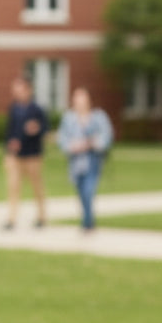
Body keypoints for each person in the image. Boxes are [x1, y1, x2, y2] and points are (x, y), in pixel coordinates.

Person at [57, 87, 113, 231]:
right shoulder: (69, 119)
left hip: (92, 160)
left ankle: (87, 222)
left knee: (89, 190)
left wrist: (91, 143)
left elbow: (106, 137)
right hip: (76, 161)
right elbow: (62, 139)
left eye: (82, 100)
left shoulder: (98, 117)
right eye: (77, 100)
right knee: (81, 191)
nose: (79, 103)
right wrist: (73, 146)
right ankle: (88, 218)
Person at [2, 76, 49, 230]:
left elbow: (45, 129)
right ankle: (11, 218)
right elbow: (9, 130)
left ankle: (41, 216)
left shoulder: (37, 109)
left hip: (32, 155)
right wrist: (9, 146)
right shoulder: (14, 108)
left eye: (20, 89)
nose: (17, 93)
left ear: (29, 90)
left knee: (37, 187)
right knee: (13, 186)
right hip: (15, 155)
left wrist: (37, 129)